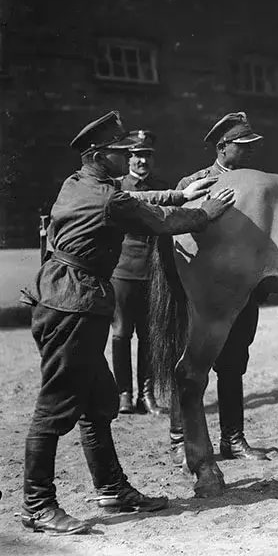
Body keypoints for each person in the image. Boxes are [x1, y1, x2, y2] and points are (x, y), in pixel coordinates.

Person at [18, 111, 233, 534]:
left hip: (63, 298)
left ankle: (111, 488)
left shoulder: (77, 183)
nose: (128, 156)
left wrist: (180, 192)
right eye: (121, 151)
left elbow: (138, 199)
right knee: (54, 408)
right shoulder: (109, 199)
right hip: (72, 305)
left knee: (99, 401)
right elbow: (159, 221)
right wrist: (204, 212)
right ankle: (37, 505)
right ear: (101, 155)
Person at [169, 112, 269, 465]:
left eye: (252, 146)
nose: (250, 151)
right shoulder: (195, 183)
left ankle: (233, 438)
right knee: (189, 360)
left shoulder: (257, 187)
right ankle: (181, 438)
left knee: (233, 364)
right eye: (243, 146)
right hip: (201, 291)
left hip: (240, 289)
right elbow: (176, 235)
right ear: (222, 147)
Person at [111, 130, 169, 416]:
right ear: (128, 159)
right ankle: (124, 394)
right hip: (123, 270)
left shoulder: (162, 188)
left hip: (153, 272)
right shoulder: (116, 187)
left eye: (147, 155)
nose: (142, 160)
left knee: (149, 336)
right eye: (137, 155)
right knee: (121, 333)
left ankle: (147, 395)